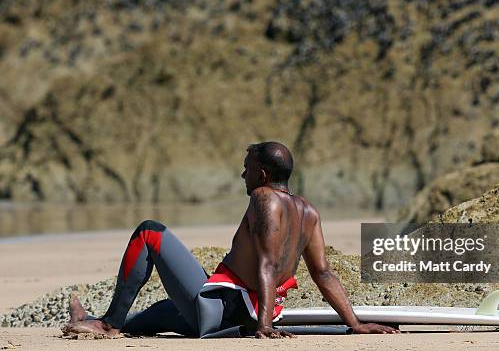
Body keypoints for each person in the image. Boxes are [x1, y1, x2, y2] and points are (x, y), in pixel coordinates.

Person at [62, 142, 399, 339]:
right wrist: (353, 323)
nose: (243, 175)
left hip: (221, 311)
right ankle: (92, 321)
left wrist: (264, 327)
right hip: (230, 312)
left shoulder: (264, 198)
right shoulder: (308, 211)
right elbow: (322, 273)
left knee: (149, 231)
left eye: (247, 168)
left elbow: (267, 263)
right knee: (152, 316)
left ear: (263, 175)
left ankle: (106, 324)